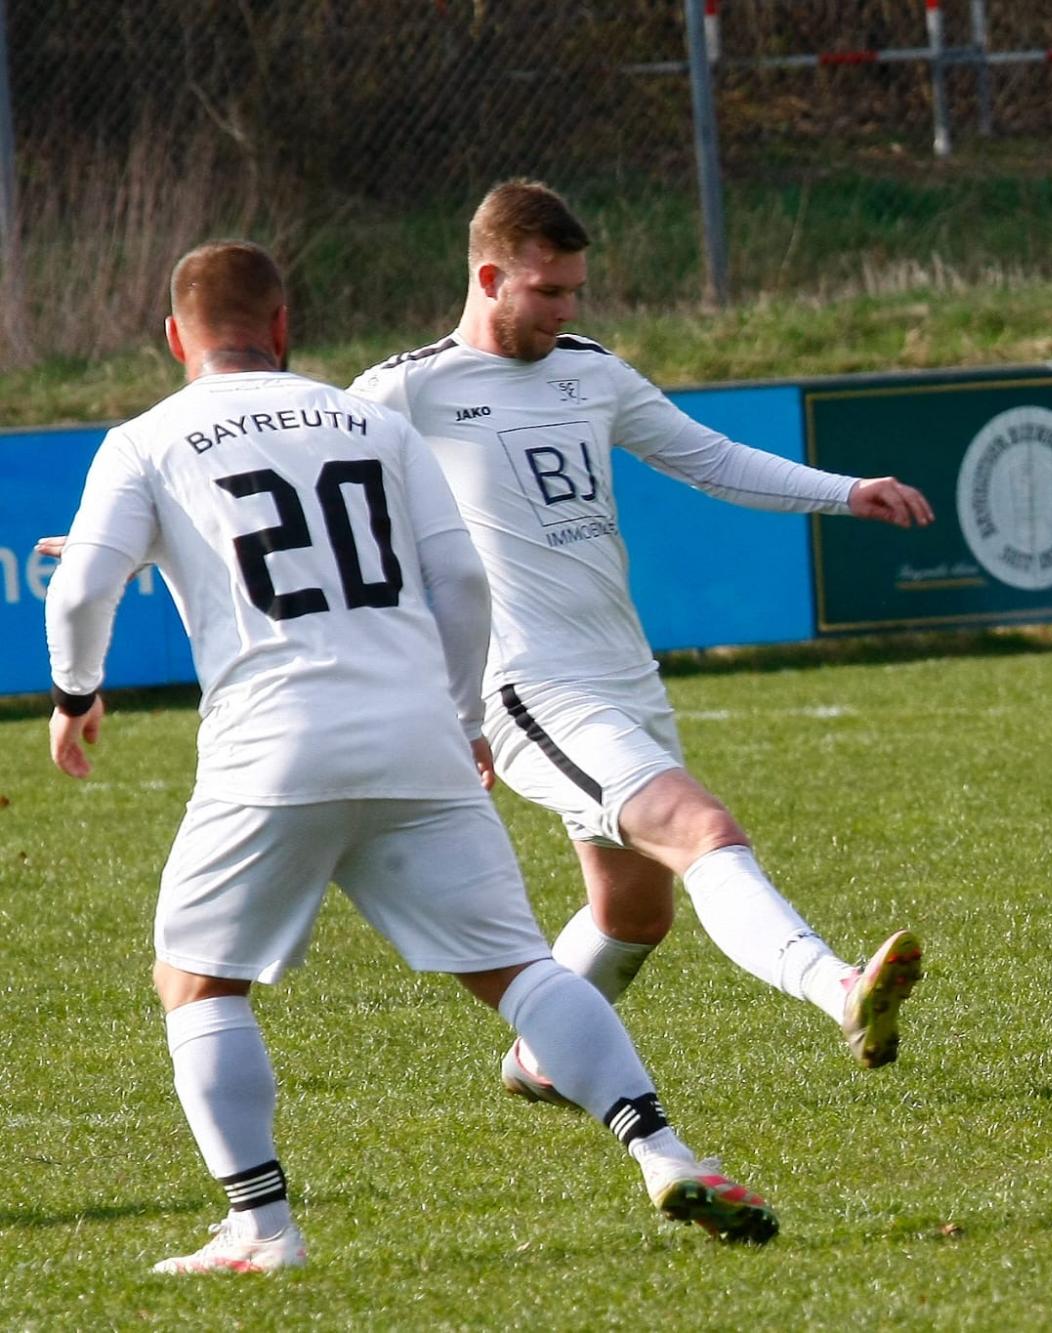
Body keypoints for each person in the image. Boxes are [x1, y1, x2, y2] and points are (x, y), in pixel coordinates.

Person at [43, 241, 778, 1274]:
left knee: (197, 982)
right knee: (520, 970)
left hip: (271, 745)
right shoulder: (370, 420)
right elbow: (462, 584)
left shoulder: (146, 438)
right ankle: (665, 1151)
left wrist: (75, 693)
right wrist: (465, 717)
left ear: (174, 338)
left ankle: (262, 1228)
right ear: (283, 327)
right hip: (416, 733)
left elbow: (81, 589)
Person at [348, 180, 934, 1107]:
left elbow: (711, 459)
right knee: (705, 831)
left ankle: (540, 1059)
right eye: (548, 291)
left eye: (576, 291)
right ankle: (841, 990)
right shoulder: (406, 390)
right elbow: (303, 476)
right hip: (530, 690)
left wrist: (847, 491)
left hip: (625, 675)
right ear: (490, 278)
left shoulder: (591, 371)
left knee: (633, 913)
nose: (566, 310)